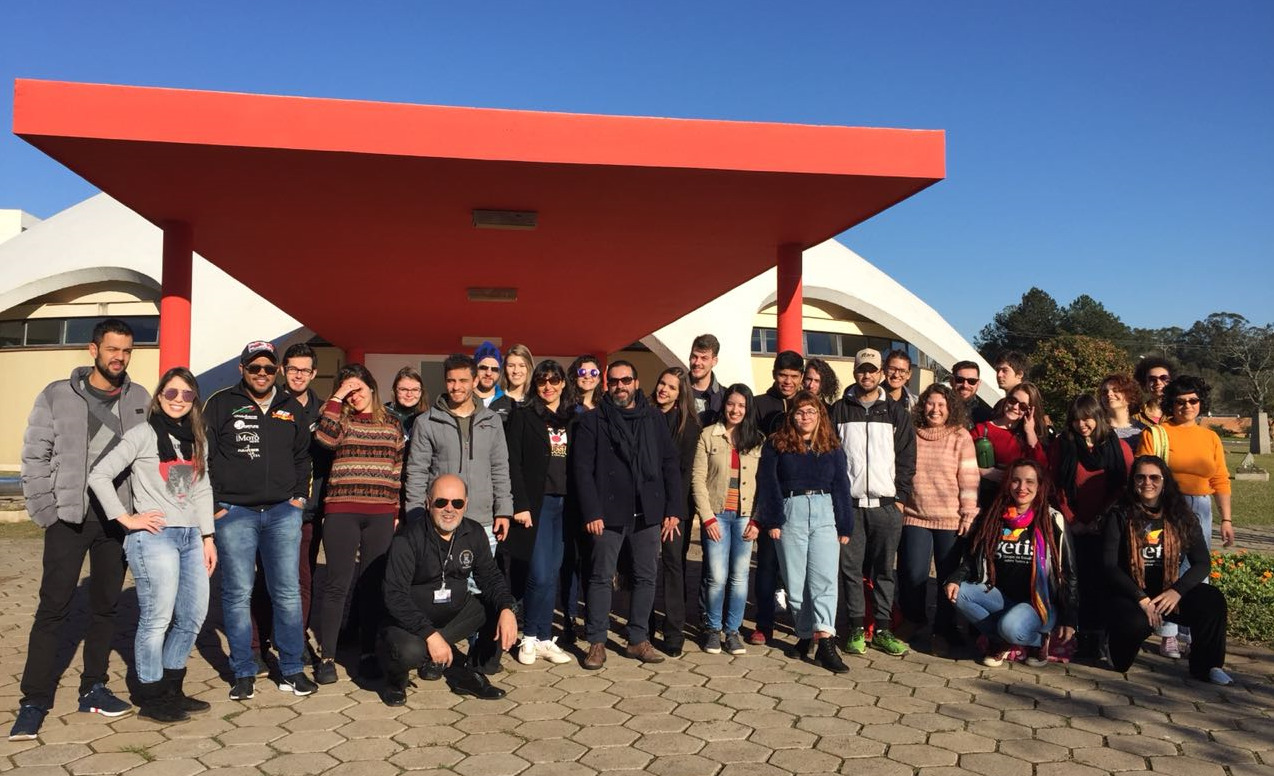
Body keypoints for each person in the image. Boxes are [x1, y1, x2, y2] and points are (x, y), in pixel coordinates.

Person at [11, 319, 148, 741]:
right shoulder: (57, 394)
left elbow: (148, 455)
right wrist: (44, 510)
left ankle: (93, 687)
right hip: (67, 517)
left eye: (126, 351)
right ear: (93, 350)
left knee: (106, 607)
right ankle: (34, 699)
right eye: (112, 349)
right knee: (53, 608)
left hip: (116, 520)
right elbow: (35, 453)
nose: (119, 357)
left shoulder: (140, 397)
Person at [87, 367, 217, 722]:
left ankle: (172, 687)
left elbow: (202, 489)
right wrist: (126, 518)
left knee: (192, 616)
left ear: (194, 401)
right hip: (155, 537)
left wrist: (208, 537)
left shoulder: (195, 438)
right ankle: (150, 694)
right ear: (159, 397)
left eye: (186, 395)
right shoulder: (142, 434)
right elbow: (98, 475)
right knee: (157, 618)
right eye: (171, 393)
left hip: (192, 537)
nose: (178, 400)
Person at [204, 341, 315, 701]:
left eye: (269, 369)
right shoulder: (220, 403)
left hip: (283, 511)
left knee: (287, 593)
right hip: (235, 512)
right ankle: (243, 671)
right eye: (255, 368)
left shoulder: (290, 406)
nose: (263, 374)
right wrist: (216, 503)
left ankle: (293, 669)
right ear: (242, 370)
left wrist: (298, 498)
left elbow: (303, 457)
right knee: (237, 594)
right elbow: (205, 456)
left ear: (277, 372)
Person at [573, 360, 682, 669]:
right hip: (607, 513)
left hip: (648, 510)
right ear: (607, 385)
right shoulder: (593, 421)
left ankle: (638, 639)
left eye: (626, 380)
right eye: (614, 382)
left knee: (647, 576)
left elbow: (669, 464)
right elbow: (582, 472)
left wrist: (673, 508)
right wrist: (592, 511)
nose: (620, 386)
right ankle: (596, 641)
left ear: (636, 383)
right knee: (601, 576)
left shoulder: (653, 419)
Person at [377, 475, 519, 706]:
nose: (449, 509)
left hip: (452, 614)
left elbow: (491, 578)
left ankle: (472, 674)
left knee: (503, 605)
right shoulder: (407, 538)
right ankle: (395, 679)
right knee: (409, 651)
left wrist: (506, 609)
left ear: (466, 504)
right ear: (428, 503)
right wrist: (430, 636)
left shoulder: (473, 533)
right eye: (441, 502)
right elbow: (394, 596)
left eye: (457, 503)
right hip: (408, 624)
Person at [312, 364, 405, 685]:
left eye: (358, 387)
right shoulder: (339, 418)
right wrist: (337, 396)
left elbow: (397, 469)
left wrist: (395, 511)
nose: (354, 394)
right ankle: (327, 657)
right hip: (342, 512)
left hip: (380, 514)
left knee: (370, 586)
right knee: (337, 584)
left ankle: (367, 653)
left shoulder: (393, 423)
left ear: (371, 387)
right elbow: (323, 439)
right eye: (348, 389)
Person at [1101, 456, 1231, 685]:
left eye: (1154, 477)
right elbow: (1110, 566)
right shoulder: (1119, 514)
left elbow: (1202, 563)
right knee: (1122, 660)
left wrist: (1177, 591)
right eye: (1140, 477)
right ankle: (1115, 644)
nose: (1147, 483)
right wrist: (1141, 599)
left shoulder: (1182, 516)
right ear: (1133, 482)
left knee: (1212, 601)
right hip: (1133, 594)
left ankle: (1207, 666)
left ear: (1164, 482)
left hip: (1168, 592)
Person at [1135, 375, 1234, 659]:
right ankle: (1168, 632)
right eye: (1179, 401)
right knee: (1166, 568)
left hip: (1201, 507)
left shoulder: (1210, 437)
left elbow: (1220, 478)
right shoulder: (1156, 434)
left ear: (1201, 403)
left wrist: (1226, 519)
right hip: (1167, 506)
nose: (1187, 406)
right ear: (1170, 403)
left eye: (1193, 400)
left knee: (1197, 569)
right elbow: (1144, 474)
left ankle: (1194, 632)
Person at [945, 459, 1077, 667]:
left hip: (1039, 604)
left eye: (1029, 482)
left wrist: (1069, 617)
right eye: (1015, 481)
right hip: (1001, 598)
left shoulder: (1052, 520)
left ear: (1040, 486)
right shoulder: (995, 516)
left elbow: (1069, 572)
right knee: (958, 593)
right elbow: (975, 556)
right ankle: (1001, 641)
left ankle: (1037, 640)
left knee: (1010, 627)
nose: (1021, 488)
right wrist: (955, 579)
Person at [756, 391, 853, 673]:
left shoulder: (832, 446)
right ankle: (804, 633)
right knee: (795, 584)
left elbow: (841, 486)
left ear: (820, 415)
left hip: (825, 511)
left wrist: (844, 524)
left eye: (811, 411)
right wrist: (772, 520)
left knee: (824, 581)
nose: (805, 417)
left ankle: (825, 642)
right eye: (800, 412)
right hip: (791, 511)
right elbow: (768, 483)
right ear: (792, 416)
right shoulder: (777, 445)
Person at [830, 348, 917, 658]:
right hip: (851, 506)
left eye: (872, 370)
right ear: (855, 372)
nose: (866, 375)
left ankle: (881, 629)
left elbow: (907, 459)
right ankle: (855, 627)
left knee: (884, 572)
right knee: (851, 570)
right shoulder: (838, 410)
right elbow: (830, 457)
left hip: (886, 506)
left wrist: (900, 499)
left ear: (881, 373)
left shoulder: (896, 413)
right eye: (861, 370)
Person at [251, 343, 326, 678]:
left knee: (302, 580)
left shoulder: (325, 411)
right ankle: (257, 644)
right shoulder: (269, 404)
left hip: (309, 511)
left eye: (305, 370)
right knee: (266, 580)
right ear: (283, 370)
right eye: (292, 369)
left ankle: (292, 639)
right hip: (271, 510)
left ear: (313, 374)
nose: (298, 375)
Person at [1048, 394, 1133, 660]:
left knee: (1102, 580)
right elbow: (1055, 485)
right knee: (1073, 580)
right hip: (1072, 525)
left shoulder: (1117, 446)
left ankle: (1099, 637)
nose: (1081, 424)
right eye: (1075, 420)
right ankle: (1073, 634)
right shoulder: (1063, 444)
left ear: (1097, 416)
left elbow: (1124, 487)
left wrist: (1098, 520)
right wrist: (1073, 521)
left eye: (1086, 418)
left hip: (1106, 526)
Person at [404, 354, 513, 557]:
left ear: (475, 381)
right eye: (451, 380)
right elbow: (417, 471)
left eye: (463, 380)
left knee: (480, 585)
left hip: (484, 519)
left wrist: (504, 510)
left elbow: (500, 468)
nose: (456, 387)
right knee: (442, 583)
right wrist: (416, 515)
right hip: (441, 518)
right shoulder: (427, 422)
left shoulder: (492, 421)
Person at [898, 384, 978, 656]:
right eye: (931, 404)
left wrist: (968, 511)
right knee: (912, 573)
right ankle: (914, 619)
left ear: (950, 408)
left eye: (942, 405)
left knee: (947, 579)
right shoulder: (912, 433)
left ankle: (943, 629)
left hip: (950, 519)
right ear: (922, 406)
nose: (935, 410)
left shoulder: (960, 436)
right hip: (915, 515)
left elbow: (968, 476)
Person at [505, 360, 575, 666]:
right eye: (542, 381)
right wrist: (520, 504)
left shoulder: (572, 418)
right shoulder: (524, 417)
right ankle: (529, 637)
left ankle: (546, 638)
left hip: (565, 505)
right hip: (537, 505)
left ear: (562, 383)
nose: (548, 387)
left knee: (553, 573)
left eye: (554, 381)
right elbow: (513, 464)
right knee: (539, 573)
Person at [691, 384, 765, 655]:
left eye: (741, 406)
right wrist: (707, 518)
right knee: (717, 576)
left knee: (739, 577)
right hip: (717, 516)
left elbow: (763, 483)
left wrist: (757, 520)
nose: (735, 410)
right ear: (724, 405)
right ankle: (712, 628)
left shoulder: (757, 440)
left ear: (748, 409)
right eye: (731, 404)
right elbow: (698, 479)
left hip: (745, 517)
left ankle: (732, 631)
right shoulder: (708, 435)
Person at [748, 349, 804, 646]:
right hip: (769, 494)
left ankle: (804, 624)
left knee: (800, 565)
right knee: (767, 563)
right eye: (783, 375)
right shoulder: (758, 404)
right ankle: (764, 623)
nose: (788, 381)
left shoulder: (808, 405)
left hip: (801, 494)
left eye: (794, 376)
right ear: (774, 374)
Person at [649, 366, 703, 656]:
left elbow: (684, 474)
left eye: (671, 387)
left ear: (680, 394)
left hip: (676, 507)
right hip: (644, 503)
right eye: (661, 383)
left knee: (673, 565)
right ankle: (644, 624)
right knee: (643, 566)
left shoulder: (689, 427)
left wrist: (673, 511)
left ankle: (673, 630)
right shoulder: (643, 415)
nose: (663, 390)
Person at [970, 381, 1049, 507]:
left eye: (1023, 406)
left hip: (1018, 505)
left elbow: (1041, 468)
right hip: (987, 501)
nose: (1015, 407)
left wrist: (1030, 431)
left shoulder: (1029, 436)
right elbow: (958, 460)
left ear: (1030, 411)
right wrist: (984, 472)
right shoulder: (982, 430)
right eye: (1012, 401)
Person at [687, 333, 725, 426]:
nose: (697, 362)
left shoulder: (724, 397)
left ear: (714, 361)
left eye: (704, 358)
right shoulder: (675, 390)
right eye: (694, 356)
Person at [473, 341, 515, 423]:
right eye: (484, 368)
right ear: (474, 369)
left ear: (499, 373)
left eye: (494, 369)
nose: (488, 373)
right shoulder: (464, 400)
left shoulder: (510, 404)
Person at [1098, 373, 1145, 445]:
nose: (1109, 394)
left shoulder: (1142, 431)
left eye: (1116, 390)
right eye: (1104, 392)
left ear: (1130, 396)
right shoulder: (1096, 430)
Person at [384, 365, 428, 443]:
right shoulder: (382, 415)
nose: (409, 394)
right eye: (404, 389)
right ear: (394, 390)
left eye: (415, 390)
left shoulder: (427, 418)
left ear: (421, 392)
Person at [949, 360, 993, 426]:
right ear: (951, 381)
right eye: (960, 380)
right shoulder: (938, 409)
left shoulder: (987, 415)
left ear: (978, 384)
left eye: (972, 381)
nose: (965, 385)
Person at [1133, 357, 1174, 427]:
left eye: (1163, 378)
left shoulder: (1179, 412)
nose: (1158, 382)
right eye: (1152, 379)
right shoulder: (1135, 415)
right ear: (1145, 384)